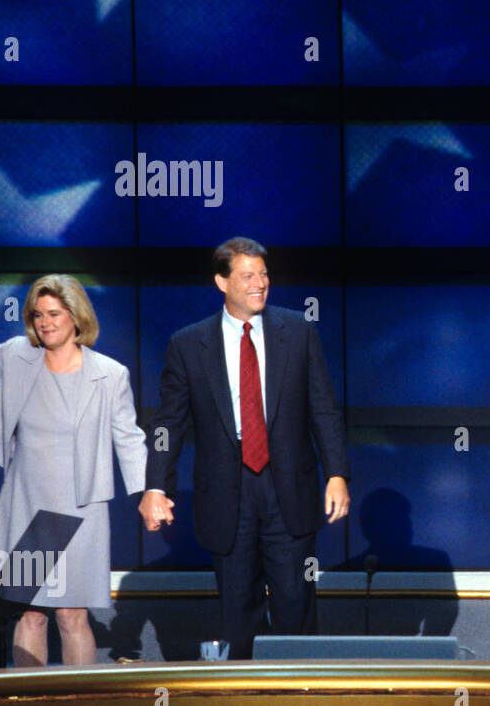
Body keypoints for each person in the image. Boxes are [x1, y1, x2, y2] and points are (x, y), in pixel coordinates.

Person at [139, 238, 350, 659]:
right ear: (221, 281)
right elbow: (169, 423)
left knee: (295, 603)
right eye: (248, 276)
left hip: (288, 485)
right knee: (238, 610)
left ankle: (300, 701)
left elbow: (323, 409)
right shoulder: (189, 344)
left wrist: (337, 474)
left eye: (264, 274)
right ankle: (248, 704)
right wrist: (155, 487)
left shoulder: (299, 332)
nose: (261, 284)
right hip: (225, 490)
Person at [0, 275, 146, 666]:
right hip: (26, 505)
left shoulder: (109, 375)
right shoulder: (17, 356)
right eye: (38, 314)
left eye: (54, 314)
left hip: (80, 510)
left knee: (71, 614)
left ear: (76, 316)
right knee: (30, 612)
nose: (45, 322)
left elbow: (128, 437)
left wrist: (149, 492)